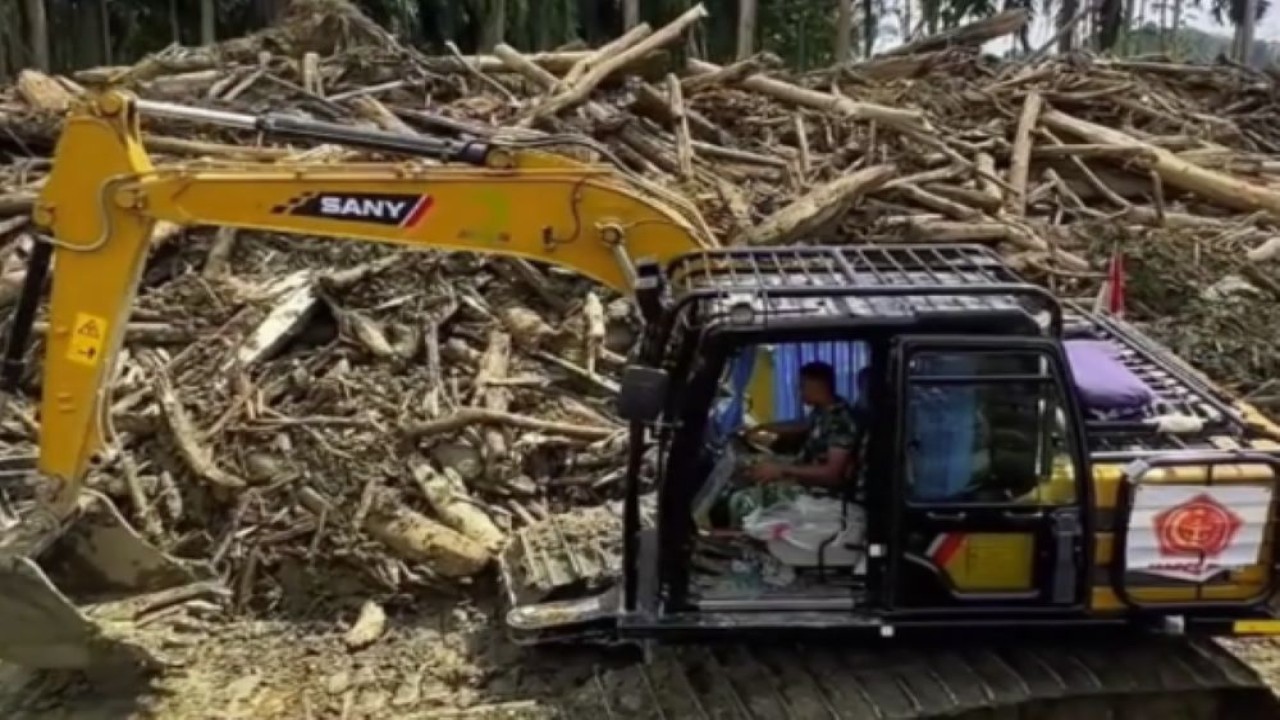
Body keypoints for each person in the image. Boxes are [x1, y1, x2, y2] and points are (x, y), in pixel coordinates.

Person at [728, 361, 863, 525]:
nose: (799, 392)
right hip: (805, 475)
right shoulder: (825, 410)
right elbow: (801, 425)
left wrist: (782, 470)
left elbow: (832, 474)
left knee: (740, 501)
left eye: (802, 386)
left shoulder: (840, 421)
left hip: (823, 495)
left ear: (816, 386)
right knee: (749, 466)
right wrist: (762, 427)